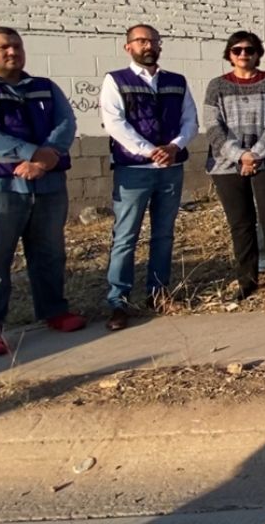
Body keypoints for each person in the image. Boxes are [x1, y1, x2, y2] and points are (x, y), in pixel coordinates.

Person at [0, 27, 85, 358]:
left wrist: (46, 158)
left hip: (47, 186)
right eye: (4, 47)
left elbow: (65, 124)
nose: (12, 52)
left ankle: (54, 311)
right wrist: (31, 153)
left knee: (50, 256)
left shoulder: (45, 88)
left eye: (17, 46)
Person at [99, 24, 199, 331]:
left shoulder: (176, 81)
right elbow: (114, 123)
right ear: (128, 46)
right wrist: (148, 151)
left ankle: (158, 292)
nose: (148, 45)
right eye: (141, 41)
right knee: (126, 237)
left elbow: (190, 120)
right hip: (133, 171)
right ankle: (119, 301)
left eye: (153, 41)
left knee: (164, 235)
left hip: (170, 169)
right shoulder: (116, 80)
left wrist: (173, 146)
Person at [204, 31, 265, 300]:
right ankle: (247, 279)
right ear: (230, 54)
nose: (243, 54)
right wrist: (239, 155)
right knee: (241, 224)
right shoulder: (217, 86)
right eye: (237, 50)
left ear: (257, 53)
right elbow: (213, 127)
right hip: (226, 164)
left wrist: (255, 155)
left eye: (249, 50)